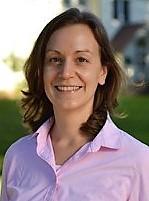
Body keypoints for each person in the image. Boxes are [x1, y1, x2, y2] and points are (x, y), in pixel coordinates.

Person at [1, 8, 149, 201]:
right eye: (55, 59)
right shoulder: (18, 156)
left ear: (103, 72)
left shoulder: (138, 161)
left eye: (81, 59)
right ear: (41, 70)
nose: (66, 72)